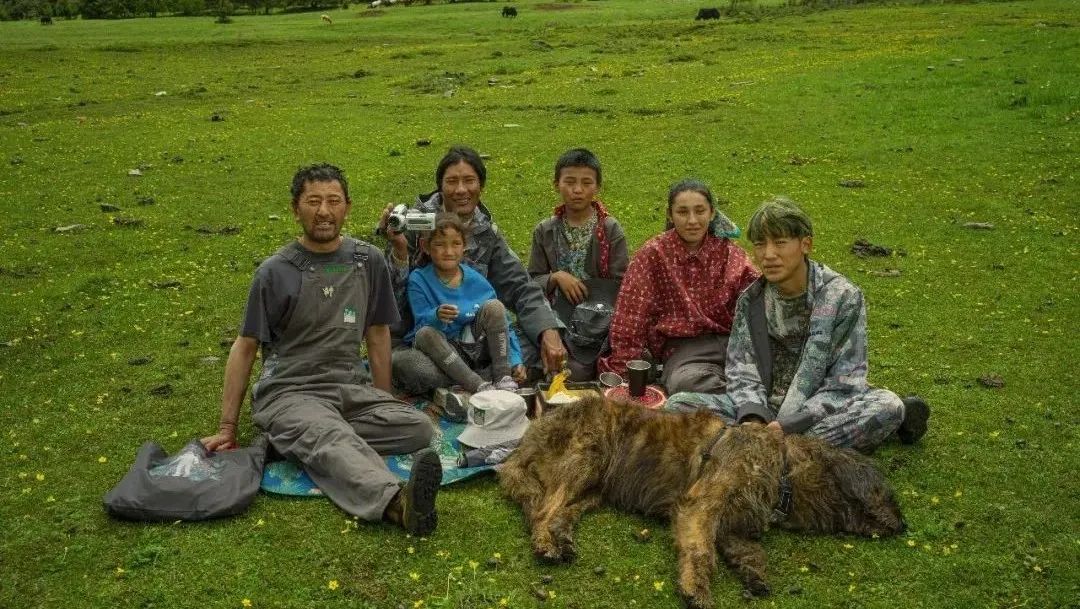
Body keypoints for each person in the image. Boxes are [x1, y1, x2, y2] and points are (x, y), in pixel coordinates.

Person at [201, 163, 442, 536]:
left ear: (347, 206)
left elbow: (377, 334)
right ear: (295, 208)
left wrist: (382, 399)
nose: (324, 211)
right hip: (290, 391)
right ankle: (397, 503)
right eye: (313, 201)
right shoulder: (274, 272)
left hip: (348, 387)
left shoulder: (368, 261)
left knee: (418, 428)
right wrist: (227, 427)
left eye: (333, 201)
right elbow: (245, 346)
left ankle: (297, 441)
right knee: (330, 435)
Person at [664, 197, 930, 452]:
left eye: (780, 242)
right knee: (678, 404)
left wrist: (789, 425)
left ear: (805, 244)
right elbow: (741, 369)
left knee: (886, 406)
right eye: (760, 244)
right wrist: (754, 419)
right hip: (764, 408)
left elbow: (844, 382)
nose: (768, 254)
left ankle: (759, 448)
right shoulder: (752, 300)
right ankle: (782, 449)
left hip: (815, 413)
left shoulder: (842, 297)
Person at [382, 146, 567, 396]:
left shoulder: (487, 233)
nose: (461, 190)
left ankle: (466, 382)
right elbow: (390, 300)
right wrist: (399, 252)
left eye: (469, 181)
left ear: (481, 186)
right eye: (452, 182)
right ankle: (484, 379)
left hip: (476, 339)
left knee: (533, 342)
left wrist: (548, 330)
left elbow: (521, 286)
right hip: (424, 340)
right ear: (440, 186)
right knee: (409, 366)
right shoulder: (416, 224)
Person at [598, 179, 759, 394]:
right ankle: (744, 402)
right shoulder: (653, 255)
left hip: (733, 343)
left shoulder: (730, 254)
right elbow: (630, 317)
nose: (692, 220)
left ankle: (745, 398)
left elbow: (758, 298)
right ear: (669, 214)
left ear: (711, 213)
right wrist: (624, 370)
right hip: (686, 350)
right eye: (682, 212)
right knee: (685, 385)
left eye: (700, 211)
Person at [527, 148, 629, 381]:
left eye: (586, 183)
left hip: (598, 319)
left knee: (573, 371)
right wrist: (555, 277)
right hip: (554, 315)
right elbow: (531, 281)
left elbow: (622, 284)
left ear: (597, 187)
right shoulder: (545, 230)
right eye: (570, 182)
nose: (577, 190)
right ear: (556, 184)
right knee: (528, 359)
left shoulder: (610, 230)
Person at [403, 212, 524, 400]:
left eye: (456, 244)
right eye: (440, 244)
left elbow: (503, 323)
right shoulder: (418, 280)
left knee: (495, 306)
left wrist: (515, 359)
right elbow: (420, 324)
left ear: (465, 246)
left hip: (473, 346)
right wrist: (436, 316)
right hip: (442, 350)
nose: (449, 251)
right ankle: (477, 384)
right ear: (425, 247)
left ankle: (502, 376)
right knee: (423, 338)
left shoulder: (476, 279)